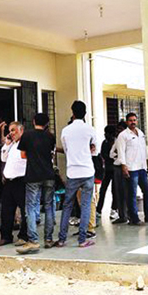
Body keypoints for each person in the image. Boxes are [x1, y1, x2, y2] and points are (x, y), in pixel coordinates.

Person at [55, 101, 97, 248]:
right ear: (85, 113)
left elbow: (66, 150)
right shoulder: (90, 129)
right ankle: (82, 239)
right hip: (87, 171)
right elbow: (95, 151)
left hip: (72, 171)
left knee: (67, 205)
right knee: (85, 206)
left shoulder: (66, 131)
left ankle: (61, 239)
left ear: (72, 112)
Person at [17, 113, 57, 254]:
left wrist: (33, 156)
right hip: (49, 175)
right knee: (49, 206)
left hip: (33, 175)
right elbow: (51, 154)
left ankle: (33, 240)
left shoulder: (27, 135)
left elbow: (23, 155)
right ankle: (48, 239)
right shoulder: (50, 136)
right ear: (47, 124)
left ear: (34, 121)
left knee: (31, 207)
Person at [0, 121, 29, 247]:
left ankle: (24, 235)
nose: (11, 133)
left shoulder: (25, 144)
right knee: (6, 210)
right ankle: (6, 236)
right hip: (9, 181)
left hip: (21, 180)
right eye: (10, 130)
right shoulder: (12, 145)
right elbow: (3, 158)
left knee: (24, 210)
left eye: (13, 130)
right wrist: (7, 144)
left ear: (21, 130)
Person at [116, 112, 148, 226]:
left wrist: (147, 163)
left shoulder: (140, 133)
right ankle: (134, 218)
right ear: (127, 122)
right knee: (132, 194)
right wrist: (123, 166)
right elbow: (121, 152)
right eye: (130, 120)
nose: (133, 122)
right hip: (131, 168)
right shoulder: (123, 135)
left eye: (134, 120)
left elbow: (144, 149)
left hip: (142, 168)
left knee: (147, 191)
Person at [96, 125, 119, 220]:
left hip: (115, 169)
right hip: (107, 169)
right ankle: (98, 209)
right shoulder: (104, 143)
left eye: (107, 133)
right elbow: (103, 155)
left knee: (115, 190)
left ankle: (114, 209)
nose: (105, 135)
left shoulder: (117, 142)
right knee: (103, 190)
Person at [110, 120, 129, 224]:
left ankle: (128, 214)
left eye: (120, 129)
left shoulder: (129, 138)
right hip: (118, 167)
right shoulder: (118, 139)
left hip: (127, 166)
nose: (118, 131)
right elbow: (111, 153)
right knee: (119, 192)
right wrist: (118, 155)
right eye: (118, 129)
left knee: (128, 192)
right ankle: (122, 215)